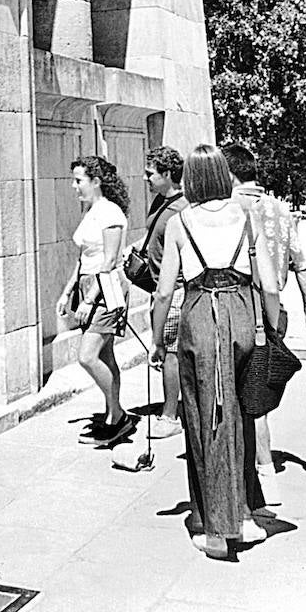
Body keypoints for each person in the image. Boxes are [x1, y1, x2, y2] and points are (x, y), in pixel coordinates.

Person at [152, 144, 280, 558]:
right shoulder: (247, 216)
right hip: (242, 310)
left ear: (191, 179)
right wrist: (272, 328)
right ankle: (242, 515)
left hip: (199, 317)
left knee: (203, 416)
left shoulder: (179, 223)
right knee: (241, 414)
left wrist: (158, 339)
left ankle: (214, 528)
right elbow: (270, 285)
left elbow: (164, 291)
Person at [222, 142, 306, 506]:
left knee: (238, 396)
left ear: (231, 173)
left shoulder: (228, 209)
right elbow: (301, 264)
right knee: (257, 395)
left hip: (237, 309)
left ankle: (255, 472)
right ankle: (262, 470)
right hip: (273, 312)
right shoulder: (282, 210)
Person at [57, 154, 135, 448]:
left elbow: (110, 260)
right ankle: (112, 415)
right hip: (89, 285)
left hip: (106, 290)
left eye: (79, 180)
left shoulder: (110, 213)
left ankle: (118, 415)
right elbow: (84, 259)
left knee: (87, 356)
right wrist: (68, 292)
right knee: (105, 357)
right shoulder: (91, 211)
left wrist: (89, 299)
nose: (74, 186)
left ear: (96, 181)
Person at [125, 146, 187, 438]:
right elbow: (155, 236)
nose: (146, 178)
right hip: (158, 286)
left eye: (151, 173)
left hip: (174, 289)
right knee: (167, 350)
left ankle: (170, 417)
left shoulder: (183, 207)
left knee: (169, 351)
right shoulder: (161, 202)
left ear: (168, 174)